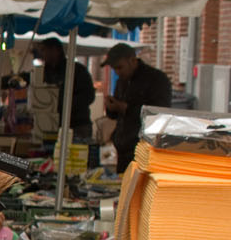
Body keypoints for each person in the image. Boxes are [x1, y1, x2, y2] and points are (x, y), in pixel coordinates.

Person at [103, 42, 172, 174]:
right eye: (114, 69)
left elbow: (160, 112)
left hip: (144, 149)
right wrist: (111, 107)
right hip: (123, 148)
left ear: (132, 61)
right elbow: (116, 115)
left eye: (120, 67)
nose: (117, 72)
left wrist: (125, 108)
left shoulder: (156, 79)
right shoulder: (121, 81)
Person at [32, 36, 95, 142]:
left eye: (44, 50)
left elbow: (89, 96)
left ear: (55, 50)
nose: (42, 54)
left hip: (78, 125)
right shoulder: (43, 72)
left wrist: (62, 103)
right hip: (52, 126)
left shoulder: (76, 70)